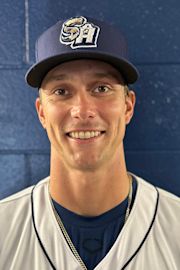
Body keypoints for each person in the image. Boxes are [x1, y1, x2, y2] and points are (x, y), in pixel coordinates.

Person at [0, 16, 179, 270]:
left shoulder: (175, 229)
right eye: (61, 91)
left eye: (102, 88)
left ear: (128, 106)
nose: (82, 111)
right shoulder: (4, 231)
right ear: (42, 113)